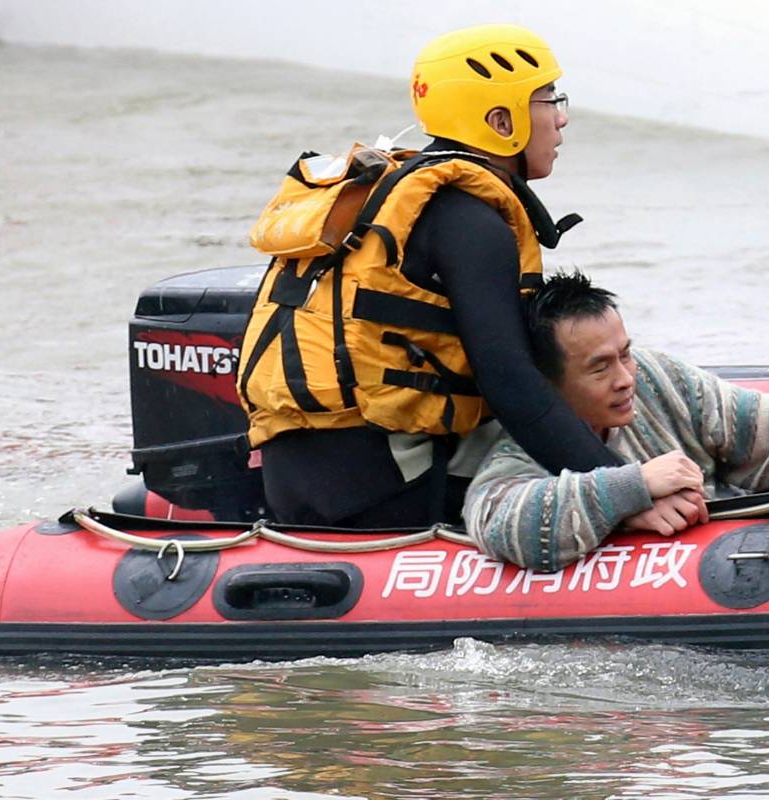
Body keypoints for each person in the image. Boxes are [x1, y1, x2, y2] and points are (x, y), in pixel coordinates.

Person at [236, 25, 620, 527]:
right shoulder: (469, 220)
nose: (562, 117)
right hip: (387, 488)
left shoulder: (391, 197)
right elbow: (510, 384)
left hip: (299, 481)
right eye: (549, 100)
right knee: (602, 406)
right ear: (501, 121)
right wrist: (624, 487)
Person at [463, 270, 769, 572]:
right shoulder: (522, 446)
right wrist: (635, 487)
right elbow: (501, 520)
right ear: (548, 383)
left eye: (625, 354)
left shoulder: (659, 379)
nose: (625, 378)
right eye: (599, 368)